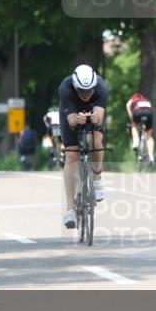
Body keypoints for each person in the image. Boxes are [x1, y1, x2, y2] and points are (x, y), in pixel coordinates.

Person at [58, 64, 109, 228]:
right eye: (82, 91)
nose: (86, 95)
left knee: (95, 141)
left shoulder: (101, 87)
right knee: (72, 155)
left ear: (95, 86)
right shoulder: (65, 88)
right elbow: (72, 121)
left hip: (93, 112)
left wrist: (95, 119)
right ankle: (70, 209)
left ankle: (97, 177)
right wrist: (77, 120)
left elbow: (99, 116)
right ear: (75, 86)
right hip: (72, 112)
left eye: (89, 91)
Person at [125, 92, 155, 165]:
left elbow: (128, 106)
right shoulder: (146, 100)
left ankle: (136, 142)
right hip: (148, 113)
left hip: (137, 112)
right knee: (149, 136)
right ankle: (151, 156)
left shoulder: (132, 100)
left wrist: (132, 120)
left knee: (134, 126)